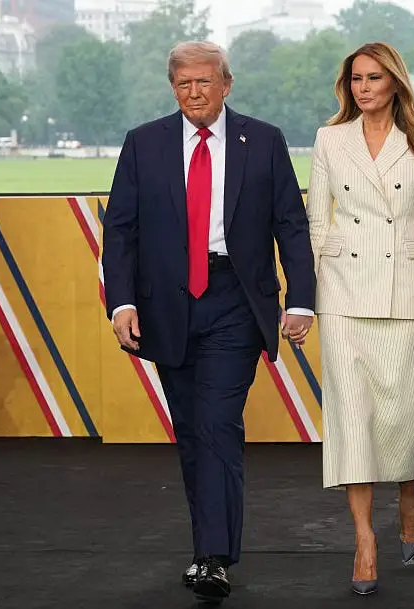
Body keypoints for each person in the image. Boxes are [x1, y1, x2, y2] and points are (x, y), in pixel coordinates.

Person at [101, 40, 316, 604]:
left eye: (204, 81)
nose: (194, 92)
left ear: (226, 83)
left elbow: (291, 223)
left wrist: (301, 300)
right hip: (165, 307)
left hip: (235, 302)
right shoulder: (143, 143)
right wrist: (120, 303)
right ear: (173, 87)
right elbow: (120, 230)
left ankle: (212, 557)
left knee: (218, 424)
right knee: (193, 431)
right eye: (183, 83)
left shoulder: (263, 140)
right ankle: (208, 547)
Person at [305, 42, 414, 595]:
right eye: (355, 79)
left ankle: (409, 492)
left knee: (399, 418)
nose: (363, 88)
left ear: (394, 82)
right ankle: (364, 541)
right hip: (343, 292)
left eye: (373, 78)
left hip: (406, 293)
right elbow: (316, 223)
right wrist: (305, 297)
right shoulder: (329, 139)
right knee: (350, 420)